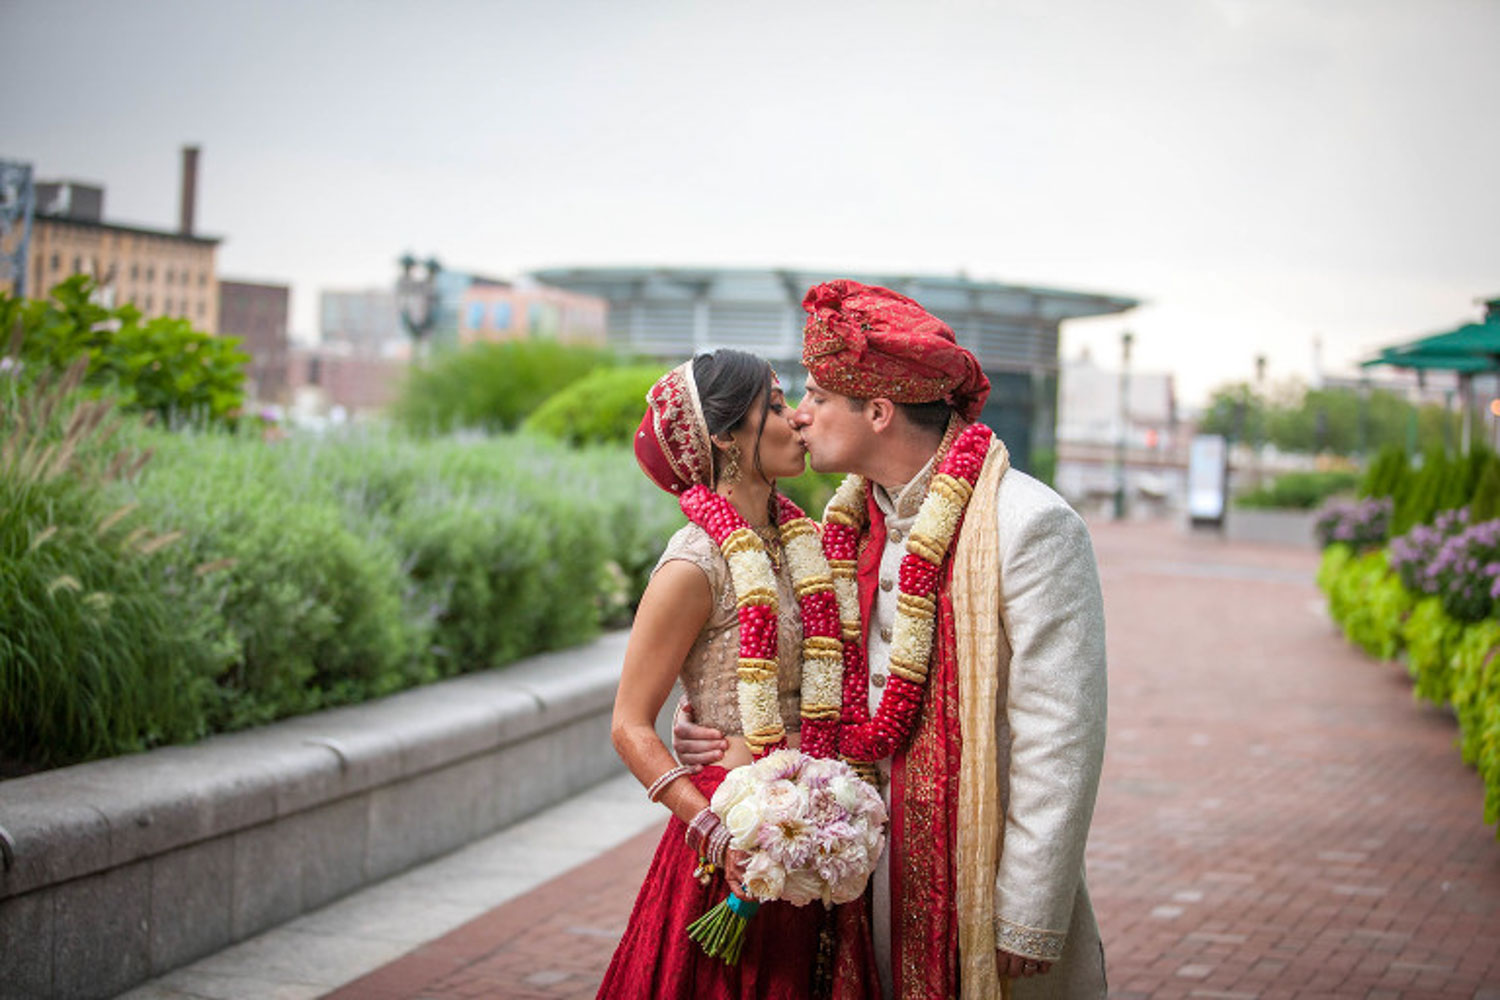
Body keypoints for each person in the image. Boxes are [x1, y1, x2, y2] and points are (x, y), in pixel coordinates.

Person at [673, 280, 1109, 999]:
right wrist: (709, 720)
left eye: (815, 396)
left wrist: (1031, 910)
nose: (801, 417)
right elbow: (780, 652)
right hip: (862, 879)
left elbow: (1061, 733)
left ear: (877, 412)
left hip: (982, 878)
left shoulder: (1030, 525)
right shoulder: (837, 532)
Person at [599, 349, 878, 1000]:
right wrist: (720, 838)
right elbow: (627, 726)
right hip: (733, 839)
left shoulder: (801, 544)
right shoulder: (694, 566)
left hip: (817, 831)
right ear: (725, 435)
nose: (798, 420)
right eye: (776, 407)